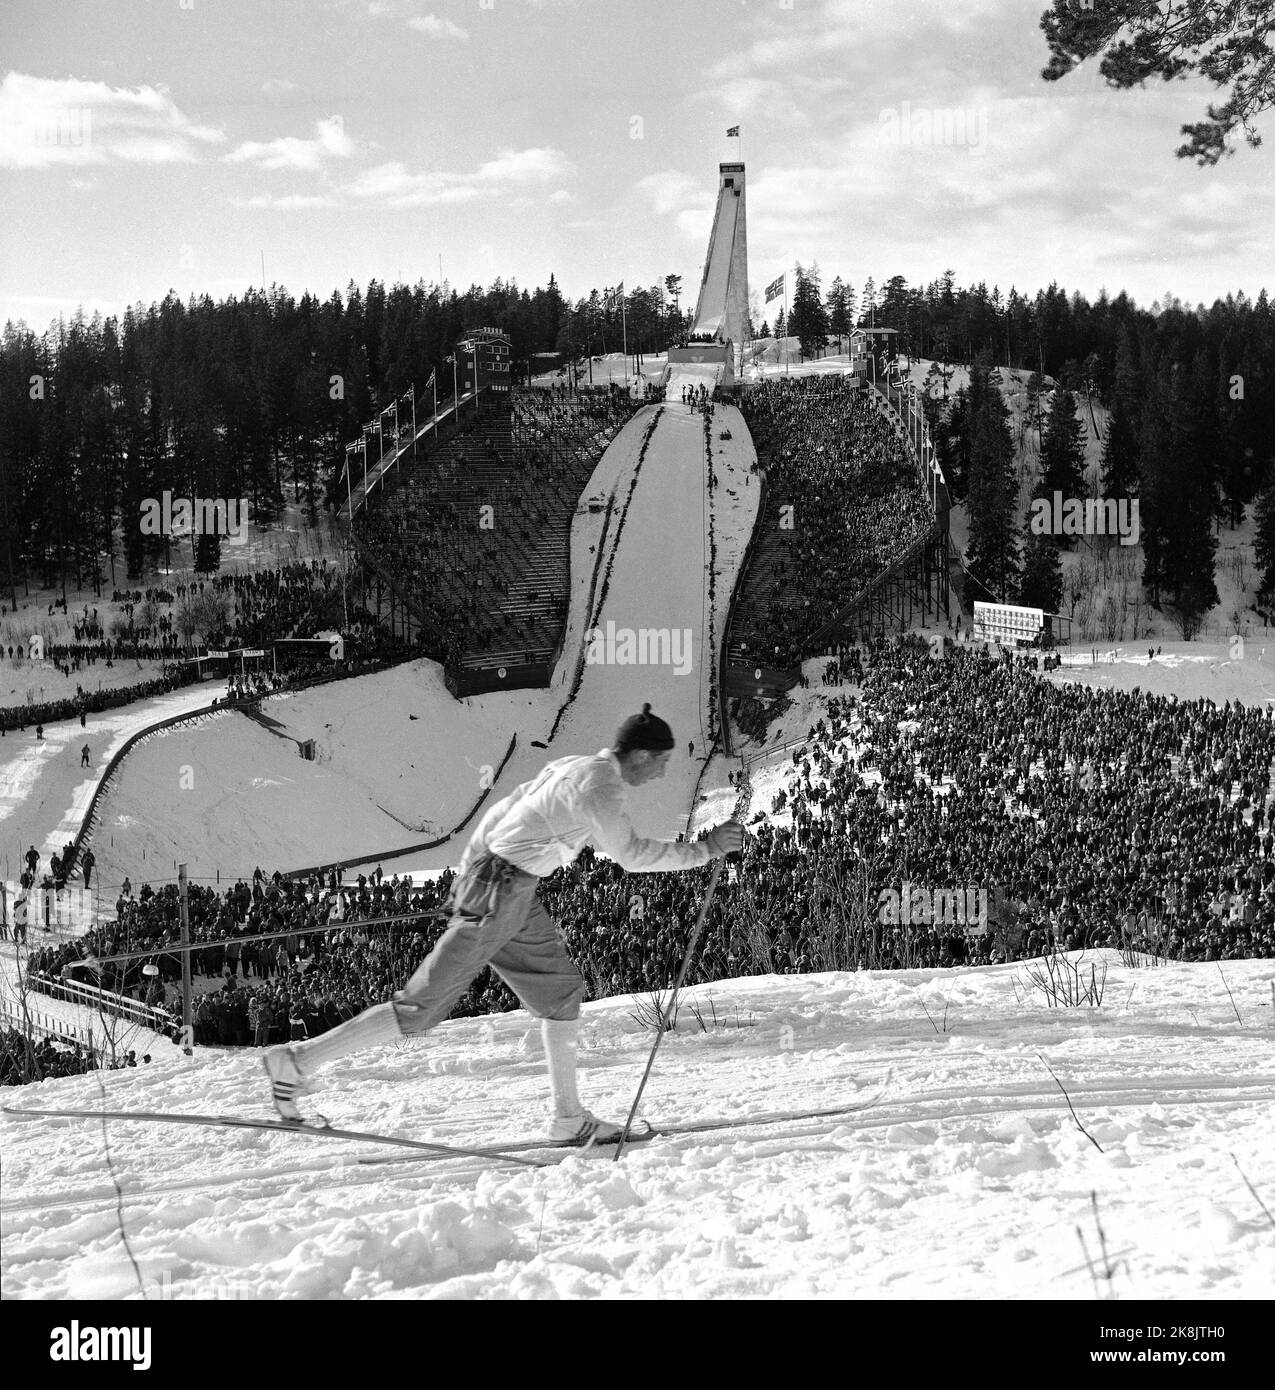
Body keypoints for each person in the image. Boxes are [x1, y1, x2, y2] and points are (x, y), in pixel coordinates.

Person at [265, 703, 745, 1144]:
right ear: (640, 755)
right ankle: (296, 1062)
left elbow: (503, 809)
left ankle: (568, 1119)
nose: (663, 771)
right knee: (419, 1008)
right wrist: (704, 849)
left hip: (507, 888)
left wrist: (470, 870)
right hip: (500, 893)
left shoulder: (575, 766)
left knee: (560, 994)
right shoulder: (601, 788)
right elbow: (632, 855)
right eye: (661, 761)